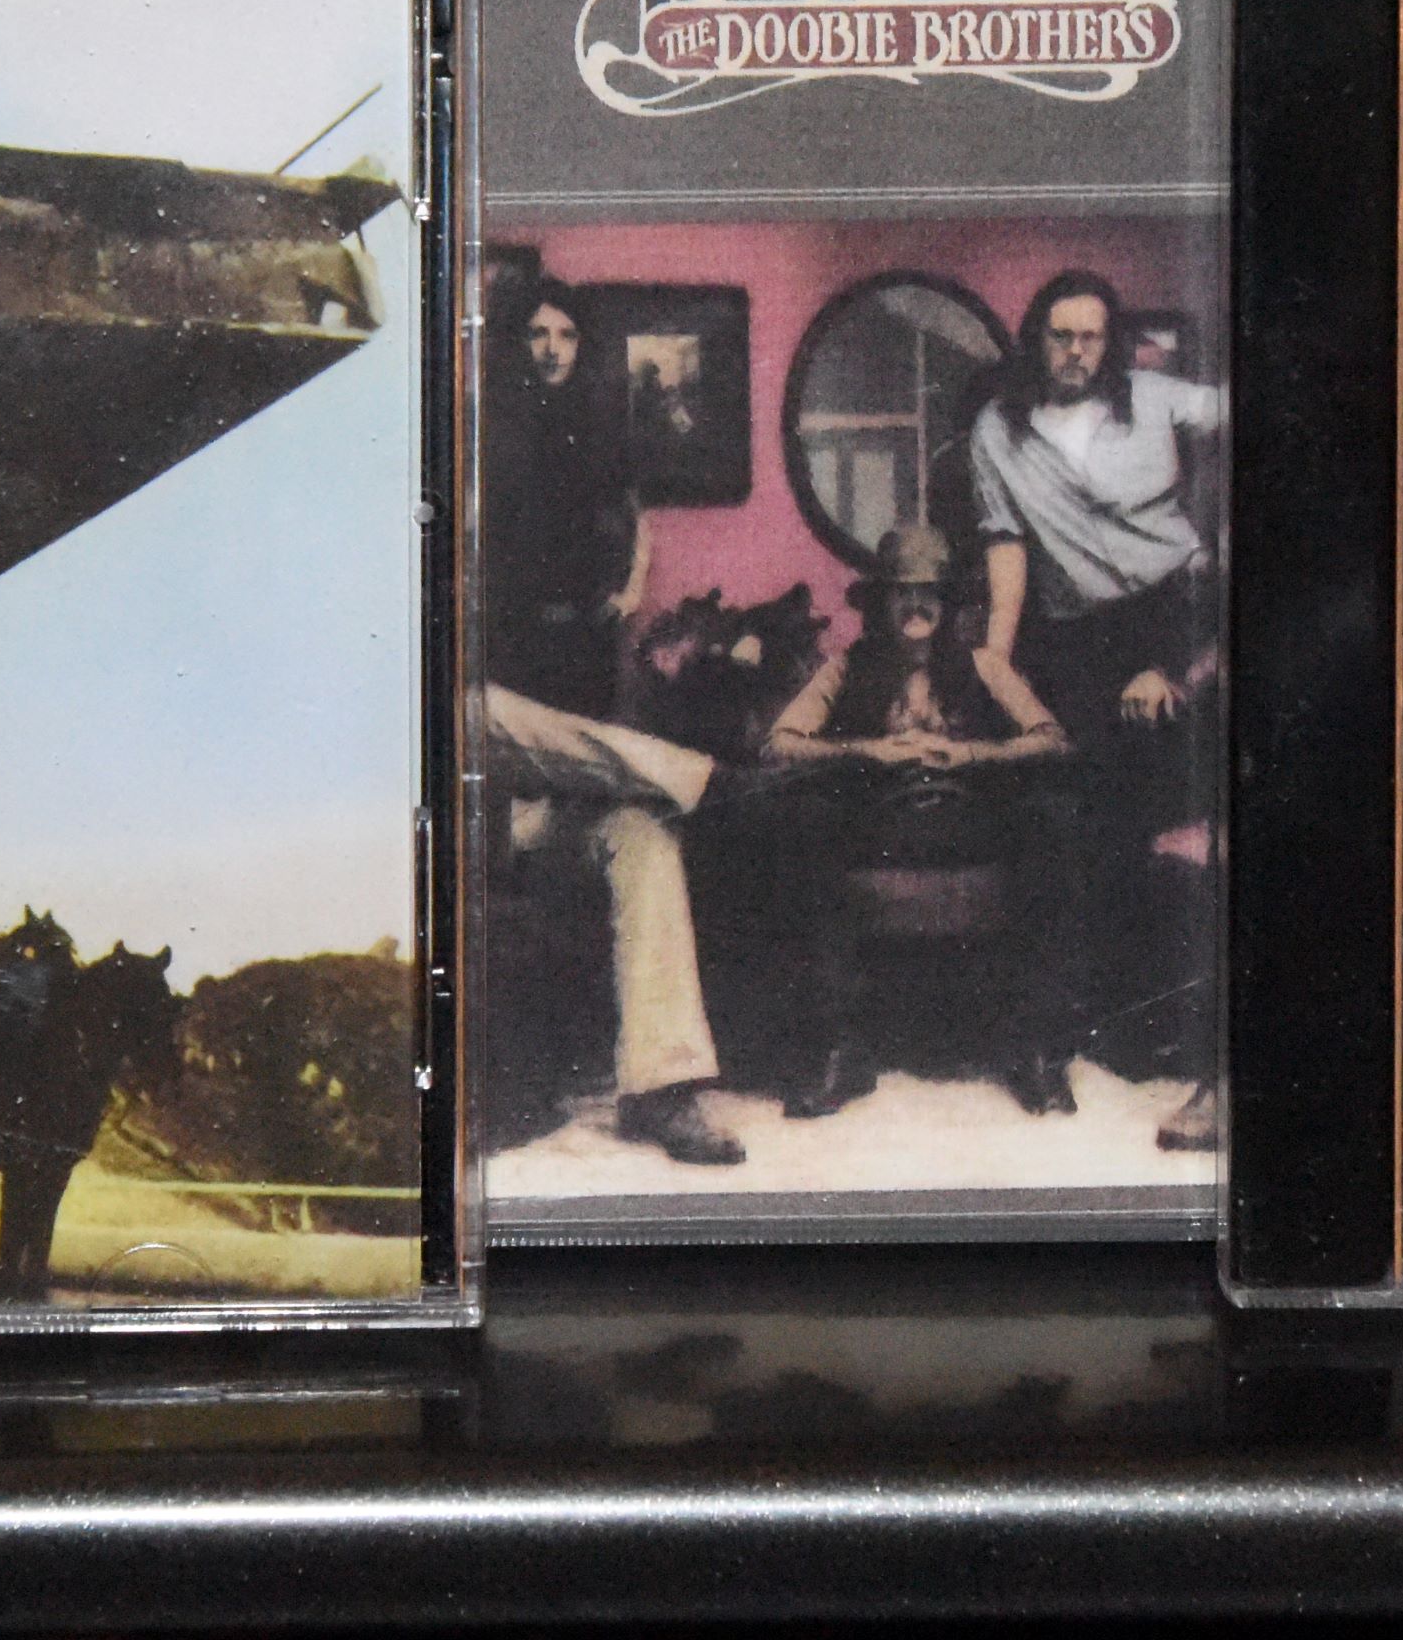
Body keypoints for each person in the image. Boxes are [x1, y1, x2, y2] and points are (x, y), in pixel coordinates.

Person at [967, 272, 1224, 1141]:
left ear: (1110, 343)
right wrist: (996, 664)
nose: (1076, 352)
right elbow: (1006, 549)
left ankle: (1165, 1036)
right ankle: (1043, 1046)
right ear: (1035, 338)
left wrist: (1173, 664)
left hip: (1179, 609)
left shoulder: (1156, 398)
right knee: (1059, 810)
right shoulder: (997, 430)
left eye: (1091, 337)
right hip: (1078, 636)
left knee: (1148, 800)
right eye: (1060, 335)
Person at [760, 524, 1083, 1110]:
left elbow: (1053, 739)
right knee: (804, 820)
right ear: (880, 603)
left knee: (1050, 817)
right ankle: (840, 1049)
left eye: (929, 592)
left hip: (969, 818)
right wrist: (868, 751)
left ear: (948, 601)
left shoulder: (983, 664)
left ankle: (1033, 1048)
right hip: (879, 823)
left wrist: (973, 754)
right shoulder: (847, 667)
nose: (916, 605)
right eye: (901, 592)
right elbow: (779, 742)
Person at [474, 685, 742, 1164]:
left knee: (644, 837)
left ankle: (659, 1087)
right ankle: (701, 778)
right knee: (473, 706)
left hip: (554, 803)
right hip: (476, 815)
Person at [480, 279, 648, 716]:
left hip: (589, 630)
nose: (552, 349)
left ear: (581, 343)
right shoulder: (495, 424)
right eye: (538, 334)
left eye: (566, 335)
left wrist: (632, 592)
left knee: (584, 742)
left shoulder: (603, 425)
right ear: (519, 342)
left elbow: (637, 513)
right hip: (514, 627)